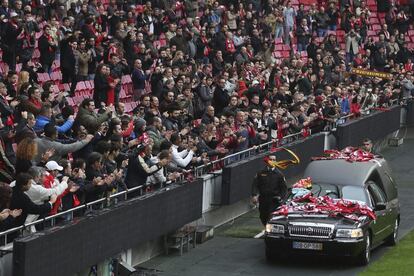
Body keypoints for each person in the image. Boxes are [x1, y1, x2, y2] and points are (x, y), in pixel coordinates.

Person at [252, 155, 288, 226]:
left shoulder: (279, 174)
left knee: (271, 216)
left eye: (274, 160)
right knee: (263, 215)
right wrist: (254, 195)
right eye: (271, 159)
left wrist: (281, 198)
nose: (272, 161)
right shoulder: (261, 172)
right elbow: (255, 184)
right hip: (263, 198)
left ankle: (269, 230)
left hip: (274, 200)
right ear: (267, 161)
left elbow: (284, 188)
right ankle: (266, 226)